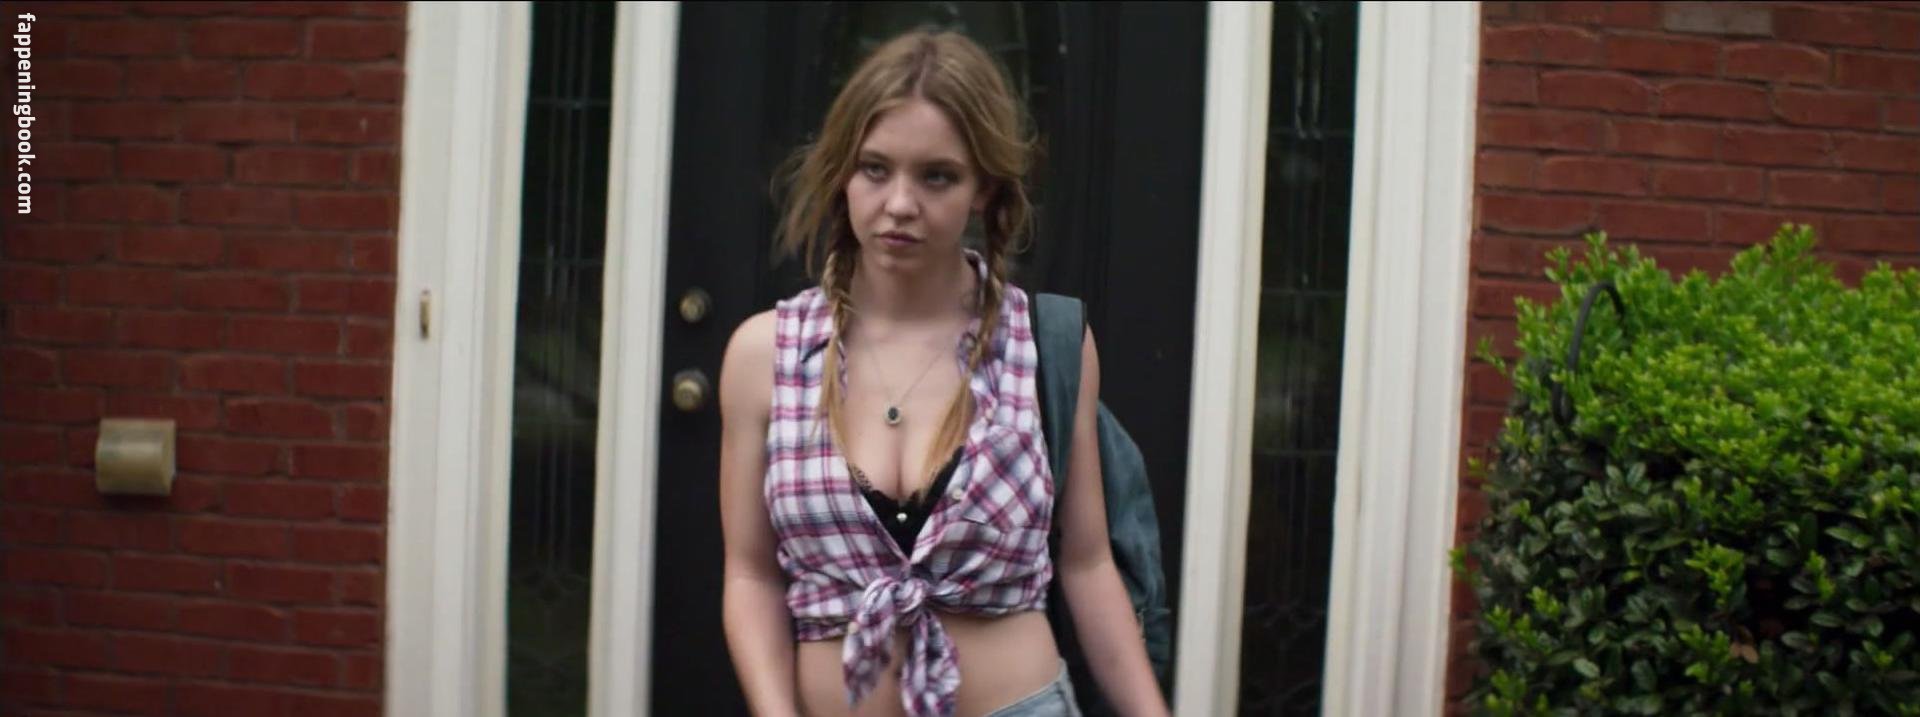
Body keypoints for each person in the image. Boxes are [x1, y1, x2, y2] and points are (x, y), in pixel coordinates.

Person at [716, 28, 1169, 717]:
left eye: (937, 176)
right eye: (875, 169)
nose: (900, 204)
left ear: (984, 187)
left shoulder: (1043, 343)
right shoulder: (766, 355)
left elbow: (1087, 563)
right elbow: (751, 576)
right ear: (843, 173)